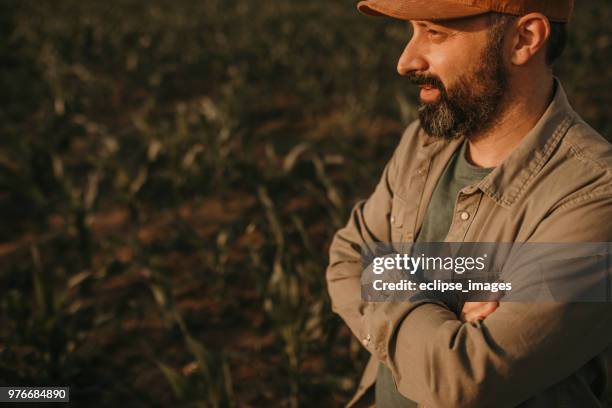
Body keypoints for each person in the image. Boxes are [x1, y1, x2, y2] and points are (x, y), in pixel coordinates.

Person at [325, 0, 612, 406]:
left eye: (435, 32)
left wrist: (383, 272)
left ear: (524, 38)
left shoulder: (595, 196)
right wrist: (444, 309)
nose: (405, 61)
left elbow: (462, 379)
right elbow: (345, 258)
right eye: (412, 31)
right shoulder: (422, 145)